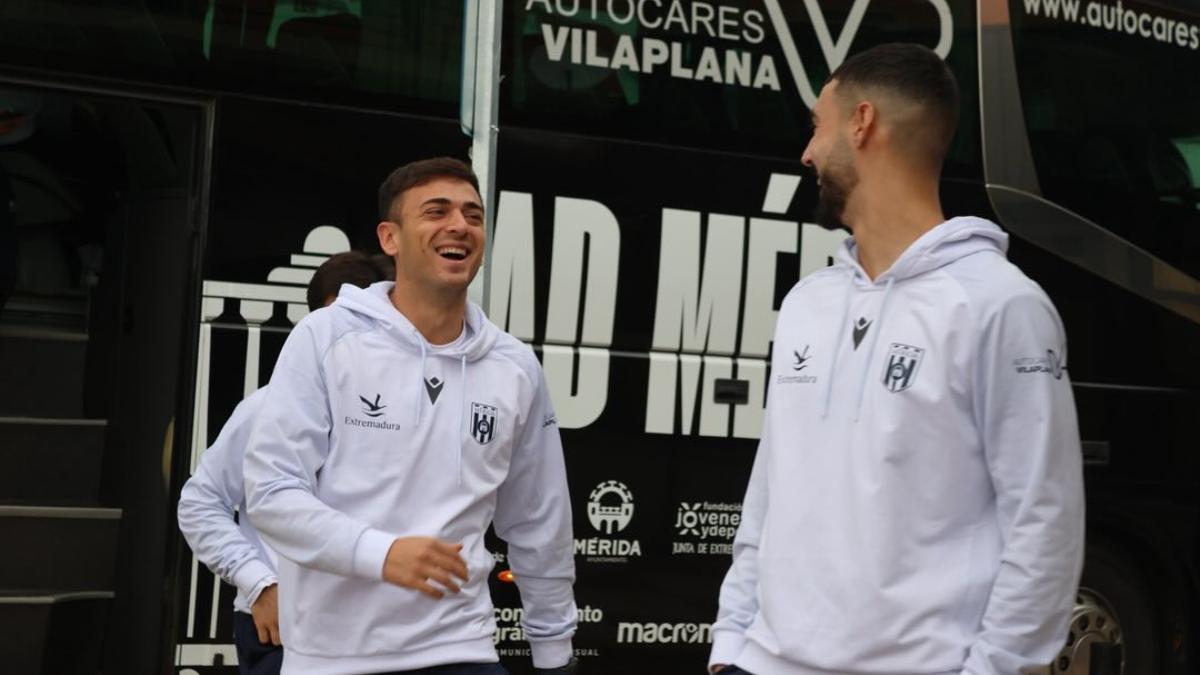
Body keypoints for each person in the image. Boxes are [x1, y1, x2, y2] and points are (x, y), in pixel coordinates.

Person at [709, 43, 1085, 675]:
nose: (806, 153)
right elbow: (769, 494)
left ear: (862, 123)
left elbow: (1044, 523)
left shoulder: (1001, 305)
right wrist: (731, 646)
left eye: (816, 126)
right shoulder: (808, 301)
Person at [243, 157, 578, 675]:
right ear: (390, 238)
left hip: (460, 649)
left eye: (473, 214)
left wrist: (554, 650)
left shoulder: (514, 365)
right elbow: (271, 494)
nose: (459, 226)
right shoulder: (326, 337)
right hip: (332, 659)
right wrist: (381, 553)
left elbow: (539, 519)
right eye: (436, 211)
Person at [178, 250, 393, 675]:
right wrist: (261, 584)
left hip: (379, 632)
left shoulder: (405, 411)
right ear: (320, 314)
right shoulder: (267, 407)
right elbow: (200, 503)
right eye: (346, 317)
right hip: (284, 631)